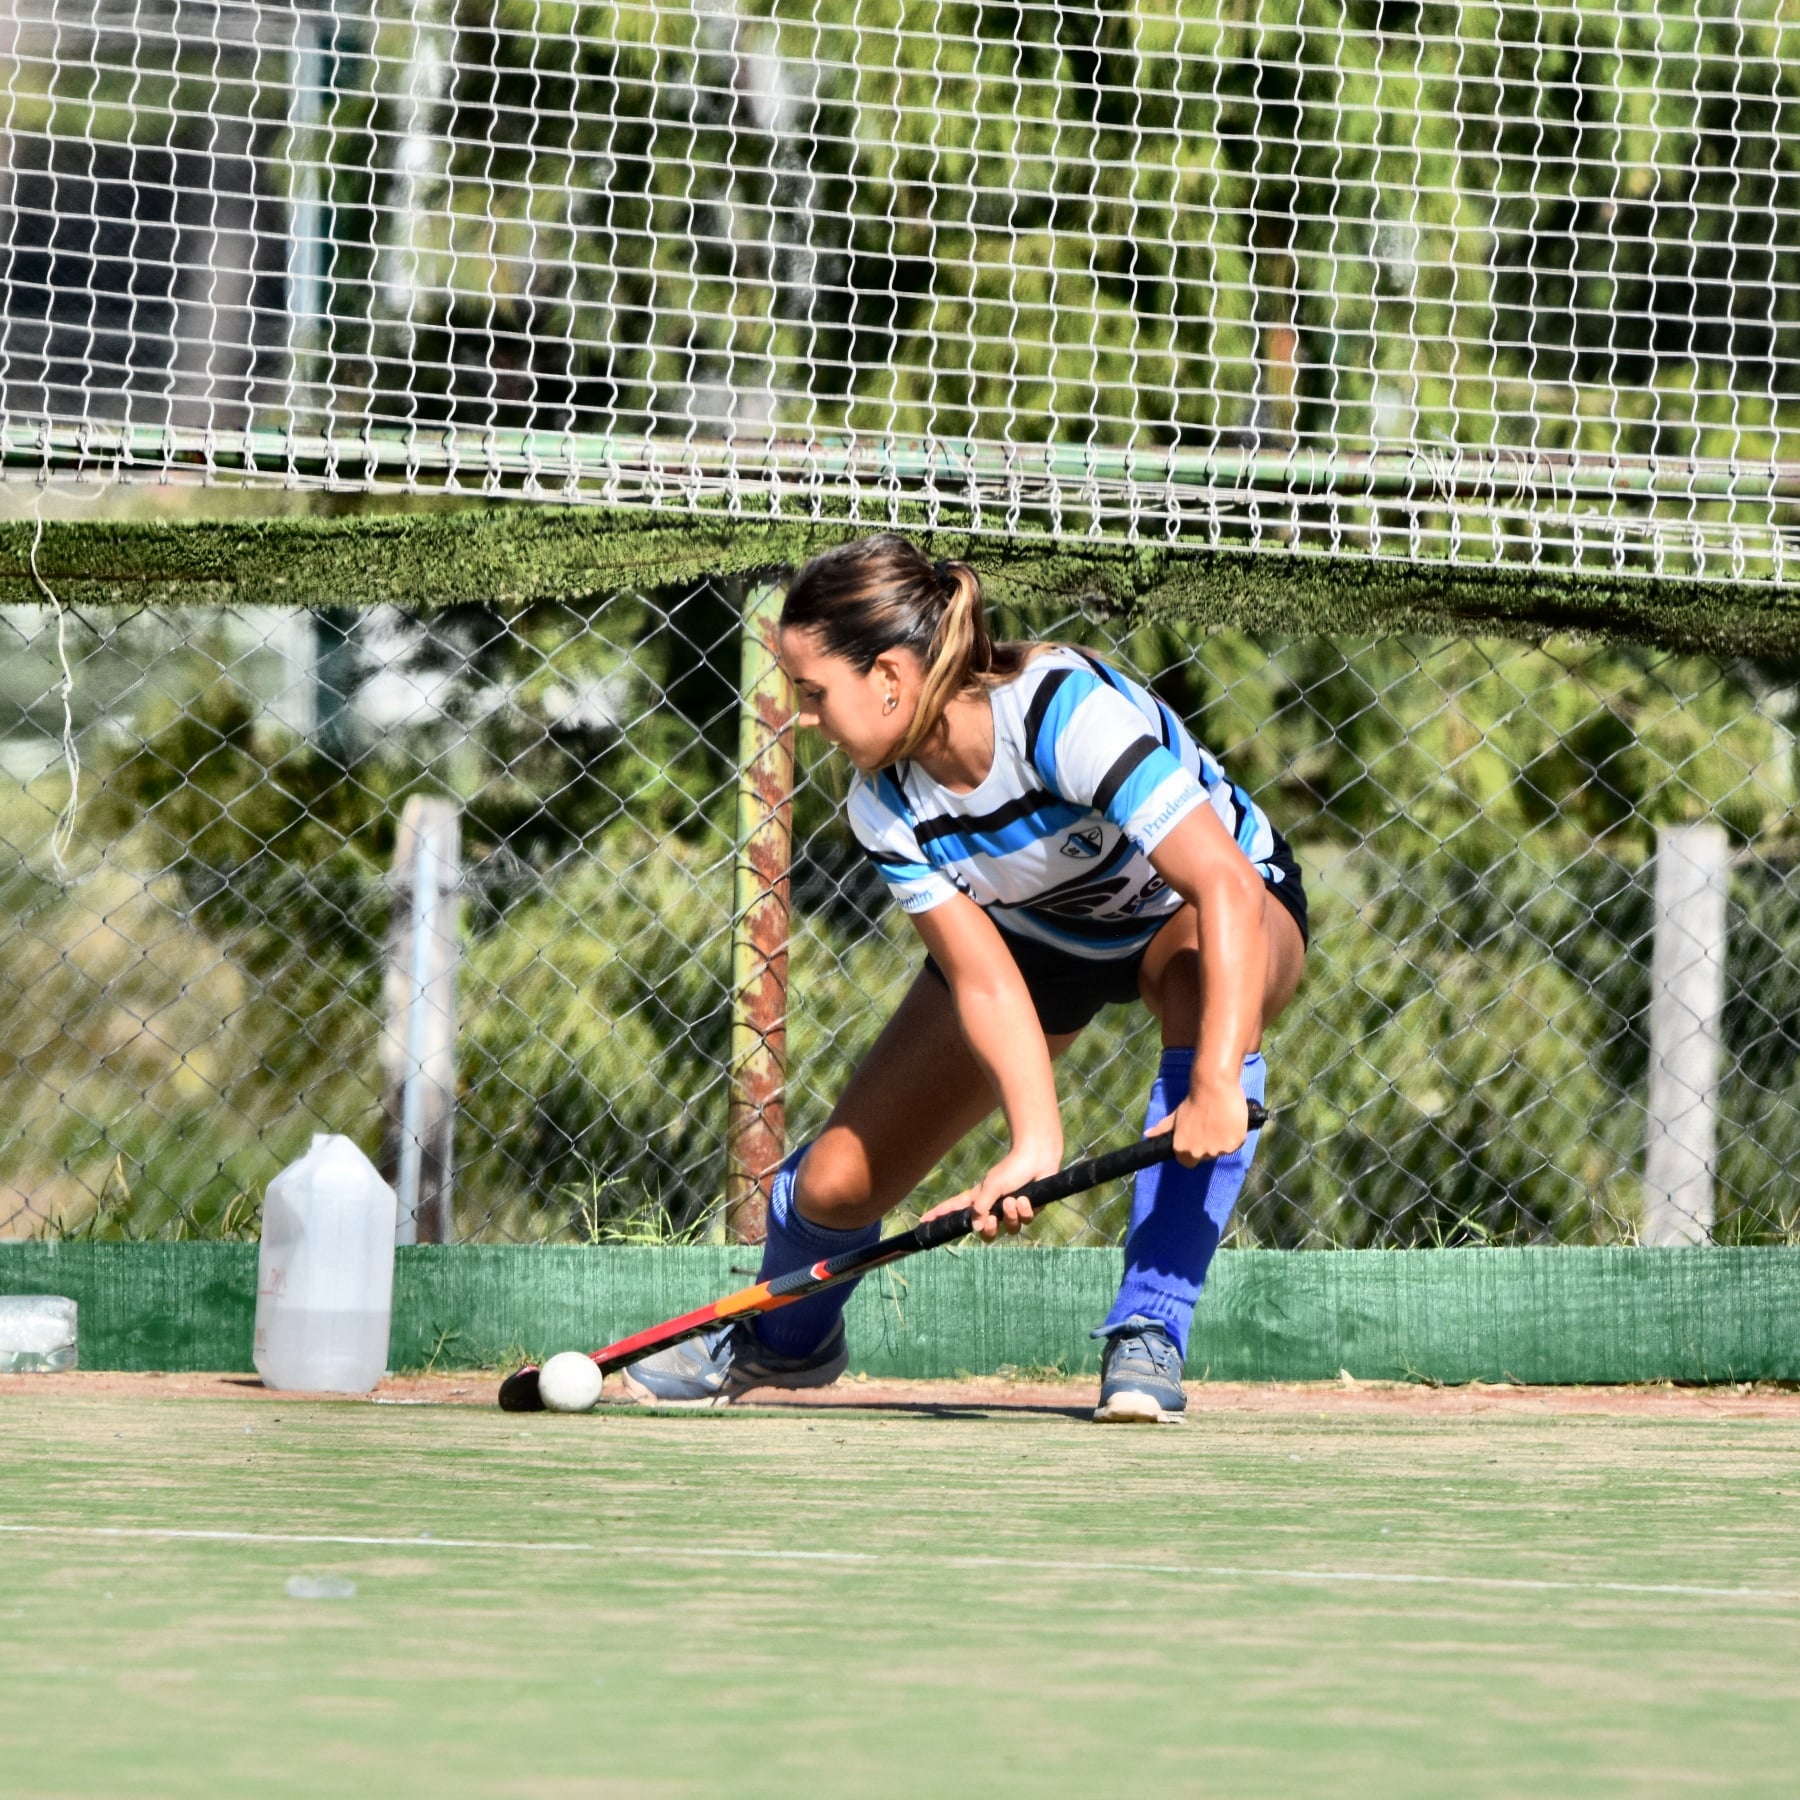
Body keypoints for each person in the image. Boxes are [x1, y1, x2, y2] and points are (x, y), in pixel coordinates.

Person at [624, 535, 1307, 1422]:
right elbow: (983, 981)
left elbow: (1222, 885)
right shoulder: (884, 802)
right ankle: (784, 1346)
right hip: (1037, 940)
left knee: (1197, 983)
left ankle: (1150, 1332)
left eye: (814, 693)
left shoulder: (1062, 711)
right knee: (835, 1183)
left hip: (1209, 911)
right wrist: (1034, 1143)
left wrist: (1216, 1083)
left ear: (892, 678)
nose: (805, 718)